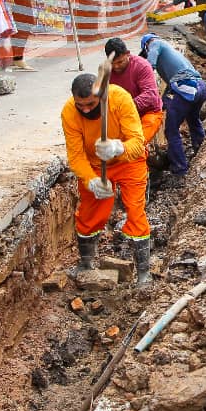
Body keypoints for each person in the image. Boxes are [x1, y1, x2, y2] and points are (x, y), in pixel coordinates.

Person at [62, 72, 153, 284]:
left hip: (128, 162)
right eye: (80, 105)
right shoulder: (69, 112)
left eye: (91, 104)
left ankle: (143, 274)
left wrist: (118, 147)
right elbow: (75, 156)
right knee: (88, 214)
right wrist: (90, 180)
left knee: (135, 211)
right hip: (94, 166)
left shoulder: (120, 99)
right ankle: (85, 264)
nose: (85, 109)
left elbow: (137, 143)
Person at [140, 33, 206, 179]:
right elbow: (171, 87)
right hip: (200, 87)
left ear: (146, 45)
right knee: (193, 118)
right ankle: (201, 150)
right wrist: (162, 101)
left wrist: (143, 78)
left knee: (171, 130)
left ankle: (180, 169)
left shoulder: (155, 43)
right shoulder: (173, 54)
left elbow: (149, 65)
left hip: (186, 88)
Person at [105, 37, 163, 145]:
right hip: (125, 117)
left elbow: (150, 95)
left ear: (127, 54)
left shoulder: (141, 66)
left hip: (149, 113)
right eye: (112, 63)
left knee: (137, 144)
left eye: (120, 62)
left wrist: (127, 107)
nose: (116, 66)